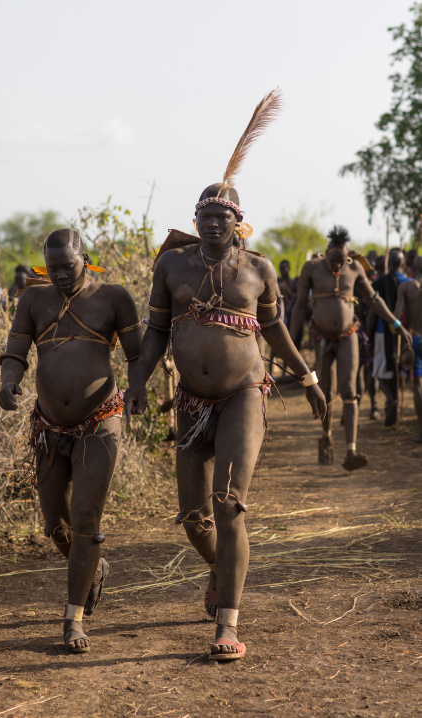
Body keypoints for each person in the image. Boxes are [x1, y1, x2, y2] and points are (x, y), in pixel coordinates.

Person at [125, 181, 326, 661]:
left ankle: (227, 625)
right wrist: (135, 384)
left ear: (239, 222)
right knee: (195, 519)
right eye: (206, 215)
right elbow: (155, 331)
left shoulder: (258, 268)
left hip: (243, 396)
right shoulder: (171, 265)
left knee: (228, 505)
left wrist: (307, 376)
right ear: (195, 220)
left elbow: (274, 327)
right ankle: (220, 565)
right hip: (192, 401)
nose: (214, 223)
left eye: (224, 216)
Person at [0, 229, 142, 654]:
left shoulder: (114, 298)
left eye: (68, 266)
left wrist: (139, 389)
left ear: (86, 258)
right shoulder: (33, 300)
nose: (60, 274)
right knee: (54, 525)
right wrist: (9, 382)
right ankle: (92, 569)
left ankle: (73, 618)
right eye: (52, 267)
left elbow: (137, 354)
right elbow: (16, 349)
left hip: (100, 422)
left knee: (85, 522)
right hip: (48, 426)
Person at [290, 228, 411, 470]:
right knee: (325, 390)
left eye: (341, 261)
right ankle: (326, 437)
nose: (337, 266)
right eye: (333, 261)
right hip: (321, 337)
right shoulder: (311, 269)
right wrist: (291, 345)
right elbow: (300, 307)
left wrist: (396, 323)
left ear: (348, 257)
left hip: (348, 335)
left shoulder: (355, 268)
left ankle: (351, 450)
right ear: (326, 255)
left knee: (349, 388)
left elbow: (373, 299)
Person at [372, 248, 411, 427]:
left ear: (389, 263)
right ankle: (394, 400)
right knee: (398, 368)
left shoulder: (379, 283)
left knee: (380, 372)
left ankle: (391, 399)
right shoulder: (410, 283)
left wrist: (369, 334)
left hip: (382, 331)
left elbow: (371, 312)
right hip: (405, 333)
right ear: (403, 264)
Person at [394, 255, 422, 441]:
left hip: (415, 339)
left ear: (411, 268)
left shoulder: (406, 287)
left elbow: (396, 317)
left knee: (417, 385)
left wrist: (398, 333)